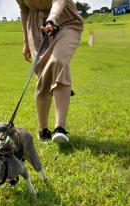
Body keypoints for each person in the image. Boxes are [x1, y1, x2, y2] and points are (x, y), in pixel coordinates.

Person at [16, 0, 83, 144]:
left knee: (59, 61)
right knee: (43, 75)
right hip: (36, 27)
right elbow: (24, 10)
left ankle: (60, 128)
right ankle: (43, 130)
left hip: (64, 20)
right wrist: (26, 42)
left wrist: (52, 18)